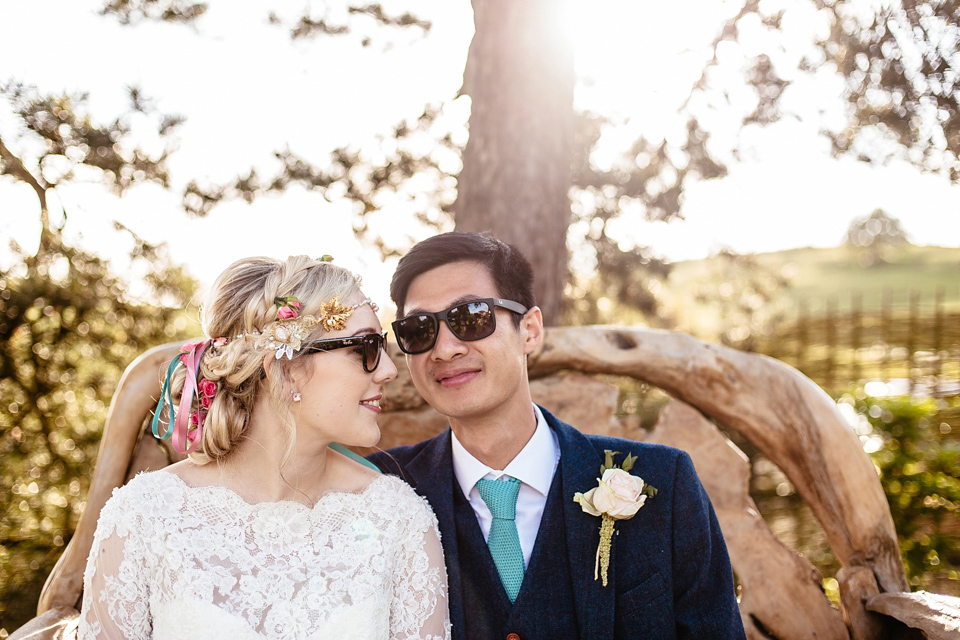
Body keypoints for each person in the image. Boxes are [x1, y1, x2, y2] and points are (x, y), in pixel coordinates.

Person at [370, 232, 746, 640]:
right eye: (418, 329)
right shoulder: (380, 490)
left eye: (472, 316)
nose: (444, 349)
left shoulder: (666, 483)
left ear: (530, 330)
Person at [78, 255, 451, 640]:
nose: (389, 370)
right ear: (285, 370)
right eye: (366, 349)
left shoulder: (398, 518)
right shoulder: (144, 517)